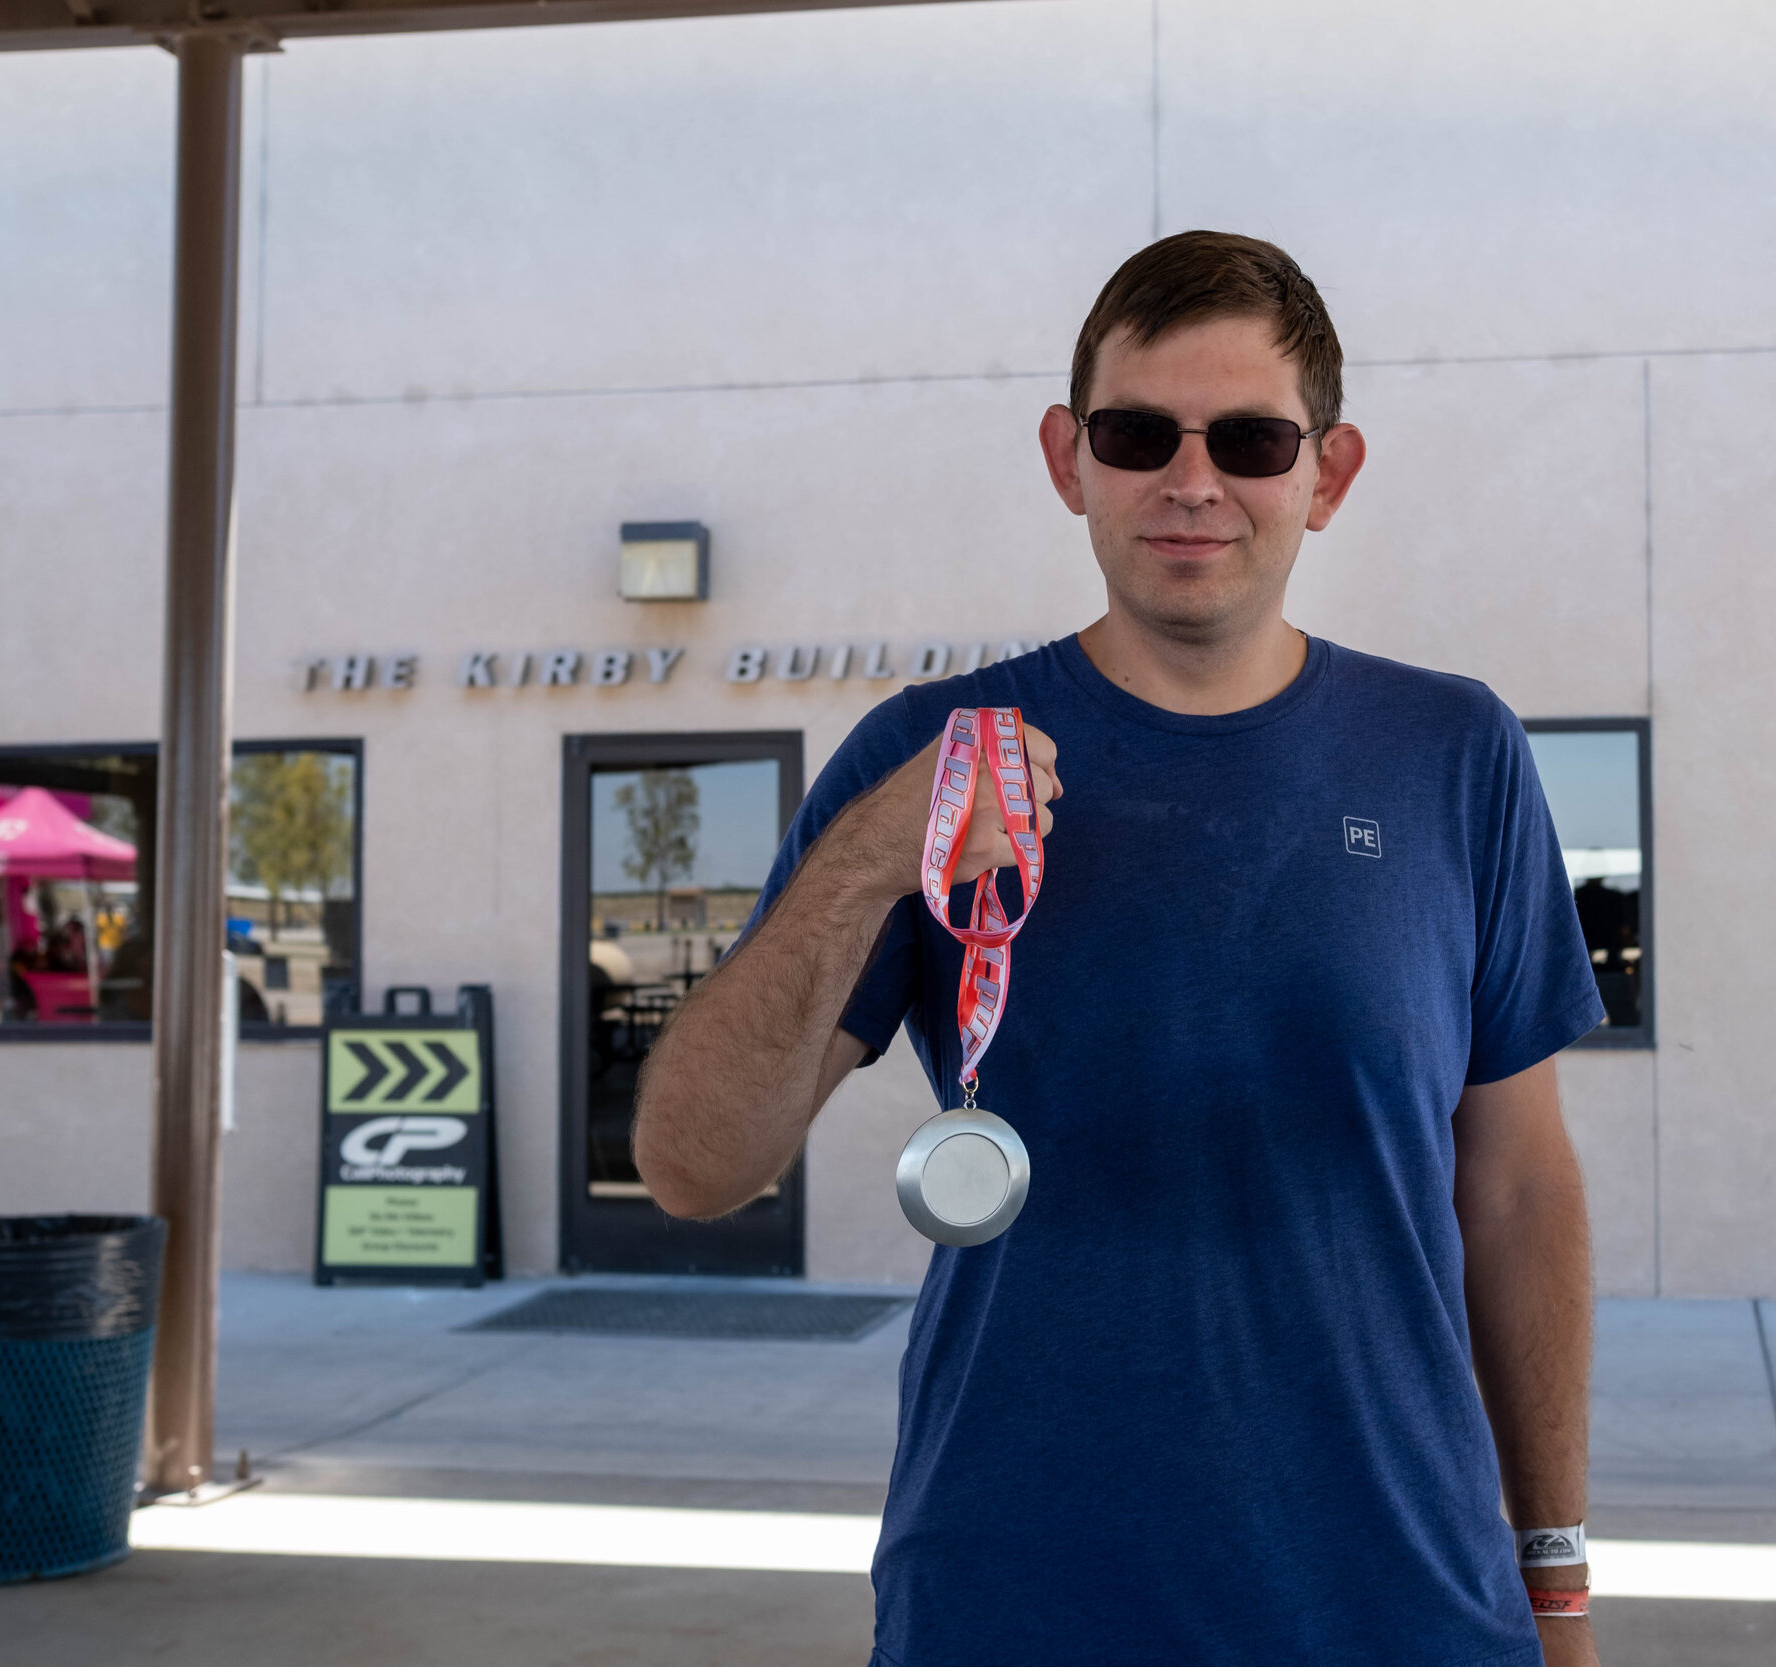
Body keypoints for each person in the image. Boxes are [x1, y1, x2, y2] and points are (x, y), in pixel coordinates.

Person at [634, 231, 1604, 1667]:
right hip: (1015, 1604)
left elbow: (1517, 1192)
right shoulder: (929, 759)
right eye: (1138, 432)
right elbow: (692, 1167)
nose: (1192, 480)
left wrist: (1558, 1584)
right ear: (1066, 458)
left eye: (1254, 439)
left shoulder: (1450, 754)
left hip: (1401, 1605)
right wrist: (862, 862)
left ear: (1327, 475)